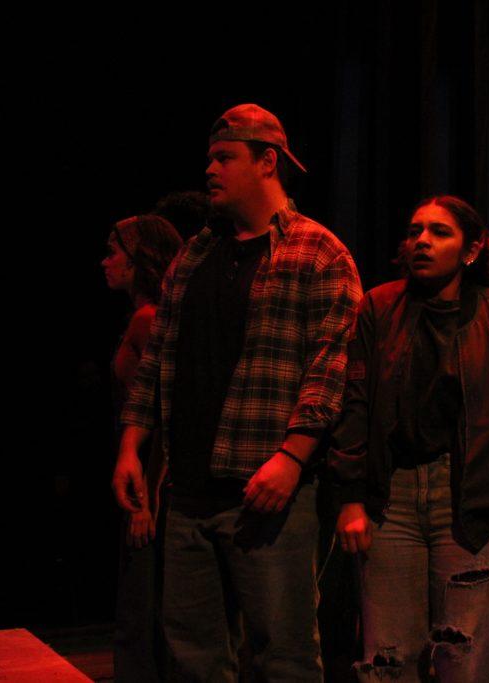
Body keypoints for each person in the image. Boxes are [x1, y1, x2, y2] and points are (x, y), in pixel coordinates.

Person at [112, 103, 363, 682]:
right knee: (194, 656)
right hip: (189, 490)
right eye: (210, 159)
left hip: (265, 491)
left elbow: (331, 370)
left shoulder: (317, 252)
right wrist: (131, 447)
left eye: (225, 158)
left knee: (285, 656)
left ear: (267, 161)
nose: (210, 170)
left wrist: (292, 457)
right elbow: (158, 362)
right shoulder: (195, 253)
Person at [329, 195, 489, 682]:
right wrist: (350, 497)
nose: (421, 241)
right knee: (388, 656)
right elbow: (355, 403)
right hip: (394, 497)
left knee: (465, 654)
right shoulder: (380, 307)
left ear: (471, 250)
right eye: (414, 231)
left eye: (438, 232)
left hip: (469, 495)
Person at [102, 213, 183, 682]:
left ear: (139, 261)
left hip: (151, 488)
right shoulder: (144, 317)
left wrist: (144, 503)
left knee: (145, 608)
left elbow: (161, 415)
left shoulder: (148, 319)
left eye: (115, 251)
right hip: (145, 485)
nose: (106, 261)